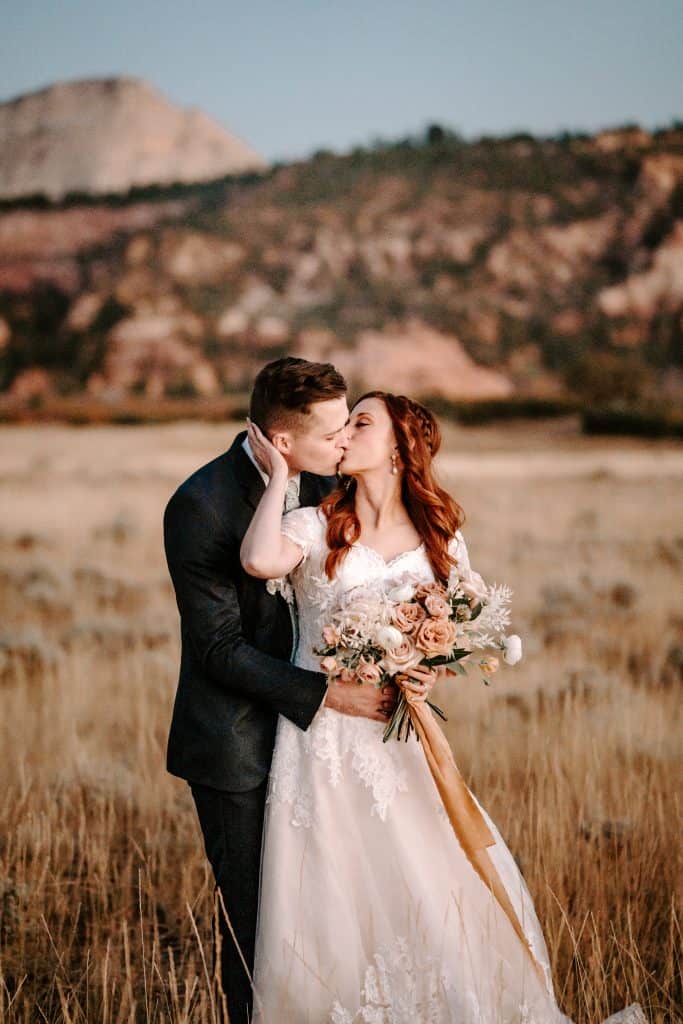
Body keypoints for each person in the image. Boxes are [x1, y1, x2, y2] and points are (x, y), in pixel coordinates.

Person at [240, 391, 641, 1024]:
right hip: (320, 739)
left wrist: (426, 675)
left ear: (399, 448)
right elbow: (259, 559)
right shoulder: (315, 524)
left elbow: (452, 632)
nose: (344, 434)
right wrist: (282, 478)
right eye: (343, 425)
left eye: (360, 423)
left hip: (397, 736)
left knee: (424, 879)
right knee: (328, 891)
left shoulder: (441, 539)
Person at [162, 360, 400, 1024]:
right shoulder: (200, 505)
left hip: (329, 746)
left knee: (335, 905)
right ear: (283, 443)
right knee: (255, 923)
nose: (345, 441)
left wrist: (411, 644)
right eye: (333, 431)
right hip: (238, 744)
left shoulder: (331, 479)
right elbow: (216, 649)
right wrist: (330, 696)